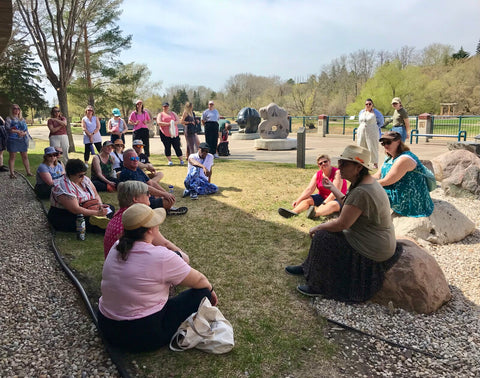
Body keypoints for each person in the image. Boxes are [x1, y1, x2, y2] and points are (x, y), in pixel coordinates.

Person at [285, 145, 401, 302]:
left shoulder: (362, 191)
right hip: (376, 242)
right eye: (340, 162)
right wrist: (332, 187)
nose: (339, 167)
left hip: (372, 249)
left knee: (322, 236)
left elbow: (342, 224)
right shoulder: (365, 183)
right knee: (326, 232)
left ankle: (319, 286)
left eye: (344, 164)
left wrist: (318, 226)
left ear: (358, 167)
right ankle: (308, 268)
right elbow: (350, 203)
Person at [97, 203, 218, 352]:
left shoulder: (116, 246)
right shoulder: (160, 256)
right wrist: (210, 290)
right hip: (142, 335)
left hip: (107, 326)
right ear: (150, 230)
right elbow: (199, 280)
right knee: (202, 293)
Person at [103, 181, 189, 261]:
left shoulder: (117, 216)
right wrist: (181, 255)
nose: (150, 196)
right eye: (147, 193)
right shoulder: (139, 220)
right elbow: (165, 244)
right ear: (135, 198)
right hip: (135, 268)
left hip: (114, 266)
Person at [373, 131, 434, 217]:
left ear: (398, 142)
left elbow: (387, 181)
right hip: (395, 189)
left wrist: (365, 184)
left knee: (367, 194)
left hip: (409, 198)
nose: (385, 145)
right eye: (383, 143)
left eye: (388, 142)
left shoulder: (404, 159)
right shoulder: (389, 157)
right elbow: (377, 175)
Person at [47, 159, 114, 233]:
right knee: (84, 223)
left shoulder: (85, 180)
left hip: (88, 207)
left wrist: (100, 206)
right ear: (71, 174)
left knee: (110, 208)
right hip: (67, 214)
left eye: (84, 174)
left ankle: (102, 223)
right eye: (80, 175)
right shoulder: (63, 186)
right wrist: (97, 213)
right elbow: (75, 209)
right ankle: (105, 226)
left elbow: (96, 195)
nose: (83, 177)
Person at [119, 149, 187, 215]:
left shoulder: (137, 169)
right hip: (138, 203)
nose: (136, 160)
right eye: (132, 158)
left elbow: (151, 182)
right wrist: (164, 194)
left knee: (169, 198)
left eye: (136, 158)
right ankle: (163, 210)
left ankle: (163, 209)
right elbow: (146, 187)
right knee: (168, 201)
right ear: (125, 161)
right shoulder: (126, 173)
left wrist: (166, 193)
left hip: (146, 198)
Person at [278, 154, 347, 219]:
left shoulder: (337, 173)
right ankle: (293, 212)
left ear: (329, 162)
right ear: (318, 166)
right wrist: (299, 200)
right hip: (322, 197)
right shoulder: (317, 175)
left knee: (332, 205)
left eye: (325, 161)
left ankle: (315, 213)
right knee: (307, 200)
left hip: (337, 199)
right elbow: (309, 189)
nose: (323, 164)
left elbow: (334, 194)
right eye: (320, 163)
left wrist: (324, 204)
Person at [5, 104, 32, 178]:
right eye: (14, 108)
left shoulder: (22, 119)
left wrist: (24, 133)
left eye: (18, 108)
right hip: (12, 140)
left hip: (22, 139)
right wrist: (17, 132)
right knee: (12, 156)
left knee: (25, 156)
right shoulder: (9, 118)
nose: (17, 110)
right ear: (11, 110)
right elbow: (7, 129)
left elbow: (26, 129)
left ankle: (28, 172)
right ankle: (12, 173)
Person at [157, 102, 185, 166]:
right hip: (165, 133)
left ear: (168, 107)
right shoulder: (160, 114)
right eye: (164, 107)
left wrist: (172, 123)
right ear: (162, 107)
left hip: (174, 133)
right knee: (167, 147)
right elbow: (159, 122)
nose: (165, 108)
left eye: (166, 106)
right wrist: (167, 124)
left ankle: (181, 160)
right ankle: (169, 160)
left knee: (177, 146)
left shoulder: (173, 113)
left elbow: (178, 121)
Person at [357, 98, 383, 168]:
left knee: (372, 147)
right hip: (362, 131)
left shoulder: (376, 112)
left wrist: (375, 127)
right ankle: (362, 162)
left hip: (372, 131)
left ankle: (375, 163)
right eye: (366, 104)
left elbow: (381, 121)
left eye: (369, 104)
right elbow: (360, 121)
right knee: (361, 146)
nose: (368, 105)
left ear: (372, 105)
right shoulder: (362, 112)